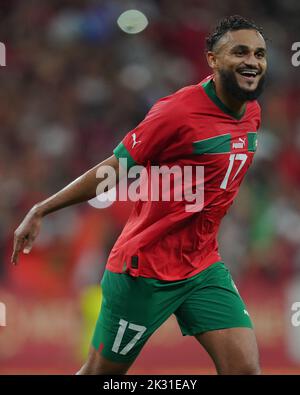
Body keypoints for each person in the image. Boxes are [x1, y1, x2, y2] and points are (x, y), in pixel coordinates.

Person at [12, 15, 267, 375]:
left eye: (259, 53)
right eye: (240, 52)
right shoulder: (177, 112)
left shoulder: (252, 112)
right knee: (102, 374)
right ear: (212, 59)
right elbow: (113, 168)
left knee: (245, 370)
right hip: (144, 270)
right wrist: (42, 208)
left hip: (203, 266)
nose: (252, 61)